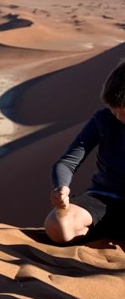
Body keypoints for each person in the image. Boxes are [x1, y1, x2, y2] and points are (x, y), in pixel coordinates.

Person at [45, 59, 125, 245]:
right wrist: (61, 188)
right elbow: (67, 163)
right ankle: (102, 236)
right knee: (57, 225)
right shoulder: (102, 120)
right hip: (102, 198)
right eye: (115, 110)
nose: (119, 117)